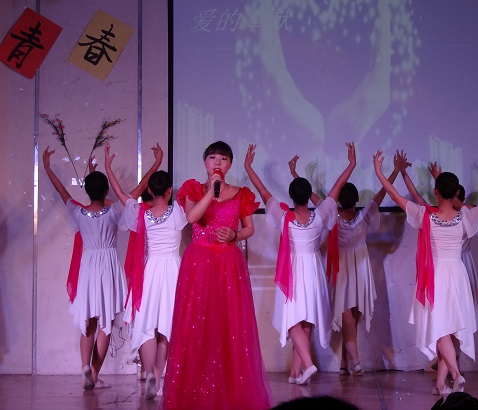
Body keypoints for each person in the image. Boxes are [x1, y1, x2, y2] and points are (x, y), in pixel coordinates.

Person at [373, 150, 478, 396]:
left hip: (435, 276)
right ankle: (441, 385)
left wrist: (380, 171)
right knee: (447, 330)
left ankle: (456, 374)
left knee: (441, 330)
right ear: (456, 193)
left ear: (436, 192)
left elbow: (395, 195)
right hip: (458, 274)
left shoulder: (425, 215)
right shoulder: (466, 216)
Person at [42, 144, 163, 390]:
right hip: (107, 267)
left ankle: (85, 366)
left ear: (86, 191)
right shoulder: (113, 211)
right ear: (106, 190)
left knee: (88, 321)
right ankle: (94, 374)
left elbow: (61, 190)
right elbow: (139, 189)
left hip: (88, 267)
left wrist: (47, 168)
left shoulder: (78, 212)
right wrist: (157, 163)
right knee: (105, 324)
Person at [162, 141, 272, 410]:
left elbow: (249, 228)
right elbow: (192, 218)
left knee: (228, 326)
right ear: (205, 162)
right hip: (199, 264)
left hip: (228, 265)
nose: (217, 162)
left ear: (230, 164)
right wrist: (211, 192)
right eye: (212, 157)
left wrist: (235, 235)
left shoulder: (241, 194)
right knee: (196, 325)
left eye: (223, 158)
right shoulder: (193, 189)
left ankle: (231, 392)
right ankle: (195, 393)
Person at [244, 142, 356, 385]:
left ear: (291, 196)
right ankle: (296, 373)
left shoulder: (284, 216)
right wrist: (351, 164)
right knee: (305, 319)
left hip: (293, 271)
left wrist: (248, 167)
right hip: (313, 271)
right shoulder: (320, 215)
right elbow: (337, 187)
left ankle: (308, 363)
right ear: (308, 196)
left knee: (293, 320)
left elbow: (262, 190)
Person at [288, 151, 402, 375]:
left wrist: (295, 174)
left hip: (344, 267)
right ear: (357, 200)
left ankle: (344, 362)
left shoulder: (332, 214)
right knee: (351, 314)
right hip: (358, 267)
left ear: (339, 201)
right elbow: (383, 192)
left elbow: (309, 195)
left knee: (349, 313)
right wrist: (396, 171)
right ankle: (355, 362)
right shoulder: (364, 215)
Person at [104, 145, 187, 399]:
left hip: (149, 272)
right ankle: (158, 376)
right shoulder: (179, 212)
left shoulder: (141, 214)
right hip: (172, 271)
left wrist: (108, 168)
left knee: (148, 324)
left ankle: (150, 372)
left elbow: (122, 195)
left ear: (150, 191)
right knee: (166, 326)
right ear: (170, 190)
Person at [398, 152, 478, 334]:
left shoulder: (460, 214)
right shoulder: (466, 214)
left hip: (457, 266)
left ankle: (450, 345)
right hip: (458, 266)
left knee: (452, 314)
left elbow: (417, 196)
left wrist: (407, 173)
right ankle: (451, 346)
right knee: (452, 314)